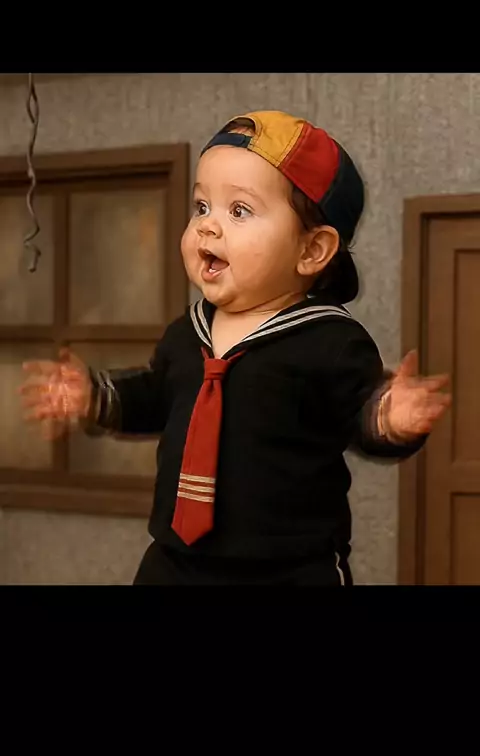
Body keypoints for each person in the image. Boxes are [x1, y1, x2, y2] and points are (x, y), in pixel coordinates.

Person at [20, 111, 450, 585]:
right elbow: (156, 396)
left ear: (311, 251)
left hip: (288, 565)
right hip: (178, 557)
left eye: (238, 211)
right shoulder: (187, 333)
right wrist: (95, 397)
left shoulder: (330, 340)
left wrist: (388, 418)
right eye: (201, 206)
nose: (207, 226)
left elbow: (358, 415)